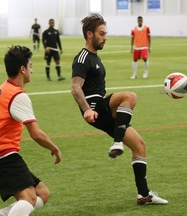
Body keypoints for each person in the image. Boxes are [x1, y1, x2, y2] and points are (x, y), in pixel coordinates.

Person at [71, 13, 168, 205]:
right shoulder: (82, 58)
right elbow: (75, 88)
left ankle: (144, 195)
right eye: (101, 33)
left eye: (106, 33)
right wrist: (86, 110)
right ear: (89, 34)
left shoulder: (95, 57)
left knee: (139, 145)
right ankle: (117, 142)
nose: (105, 37)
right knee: (129, 96)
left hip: (103, 111)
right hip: (94, 107)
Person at [0, 45, 62, 216]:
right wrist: (54, 148)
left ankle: (1, 214)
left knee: (42, 194)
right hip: (3, 154)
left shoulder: (3, 88)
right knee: (29, 198)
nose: (32, 69)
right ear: (22, 69)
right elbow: (36, 133)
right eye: (30, 66)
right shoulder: (18, 95)